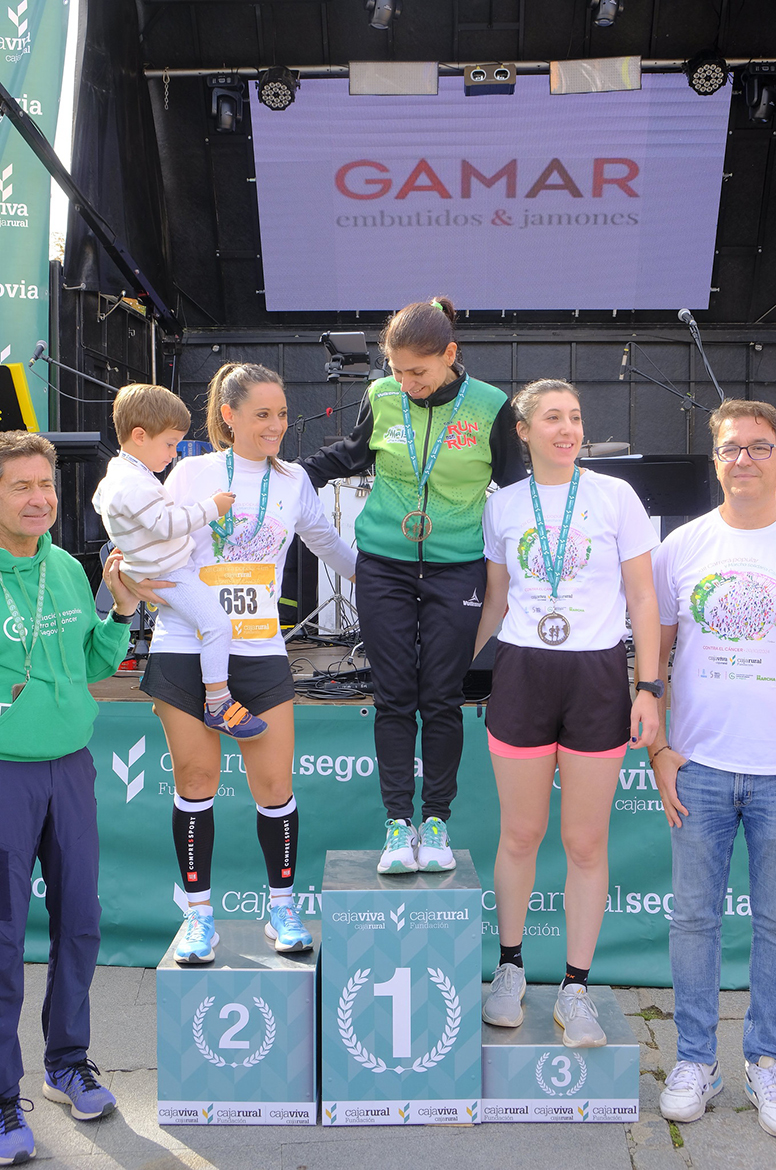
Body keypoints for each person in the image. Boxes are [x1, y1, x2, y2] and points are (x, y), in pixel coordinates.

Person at [128, 363, 356, 965]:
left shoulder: (294, 482)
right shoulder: (192, 471)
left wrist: (387, 583)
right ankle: (199, 914)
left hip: (259, 652)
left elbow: (328, 545)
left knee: (275, 785)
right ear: (228, 417)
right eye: (263, 414)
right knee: (197, 782)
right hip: (186, 647)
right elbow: (145, 530)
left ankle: (281, 905)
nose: (276, 425)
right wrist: (126, 573)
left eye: (282, 414)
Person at [304, 297, 525, 875]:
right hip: (385, 565)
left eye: (418, 372)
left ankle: (437, 822)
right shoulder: (381, 397)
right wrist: (278, 474)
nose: (407, 382)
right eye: (397, 370)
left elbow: (517, 486)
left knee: (442, 697)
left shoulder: (490, 406)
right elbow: (348, 457)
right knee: (395, 695)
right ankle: (398, 825)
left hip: (457, 568)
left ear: (450, 355)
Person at [474, 379, 660, 1046]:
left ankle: (576, 987)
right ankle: (512, 969)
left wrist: (650, 688)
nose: (567, 428)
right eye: (551, 418)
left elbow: (643, 598)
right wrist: (466, 674)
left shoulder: (616, 497)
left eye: (575, 417)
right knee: (520, 835)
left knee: (584, 842)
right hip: (523, 672)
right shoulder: (504, 506)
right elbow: (496, 602)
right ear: (522, 431)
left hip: (597, 676)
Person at [0, 431, 138, 1165]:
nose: (37, 499)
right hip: (5, 773)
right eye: (20, 486)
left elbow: (90, 665)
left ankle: (66, 1064)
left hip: (71, 766)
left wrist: (117, 612)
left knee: (80, 921)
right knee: (2, 940)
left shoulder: (62, 565)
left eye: (44, 486)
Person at [651, 399, 776, 1137]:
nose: (745, 460)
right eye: (732, 449)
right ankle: (695, 1058)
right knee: (693, 920)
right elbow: (654, 658)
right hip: (698, 765)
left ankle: (768, 1059)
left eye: (759, 447)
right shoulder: (683, 548)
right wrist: (660, 749)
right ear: (715, 459)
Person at [94, 384, 269, 741]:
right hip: (171, 573)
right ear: (140, 436)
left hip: (158, 567)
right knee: (218, 625)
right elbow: (167, 524)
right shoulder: (135, 485)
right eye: (170, 444)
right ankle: (218, 703)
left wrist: (131, 551)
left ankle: (180, 694)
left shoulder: (117, 473)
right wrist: (212, 507)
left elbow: (100, 503)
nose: (173, 455)